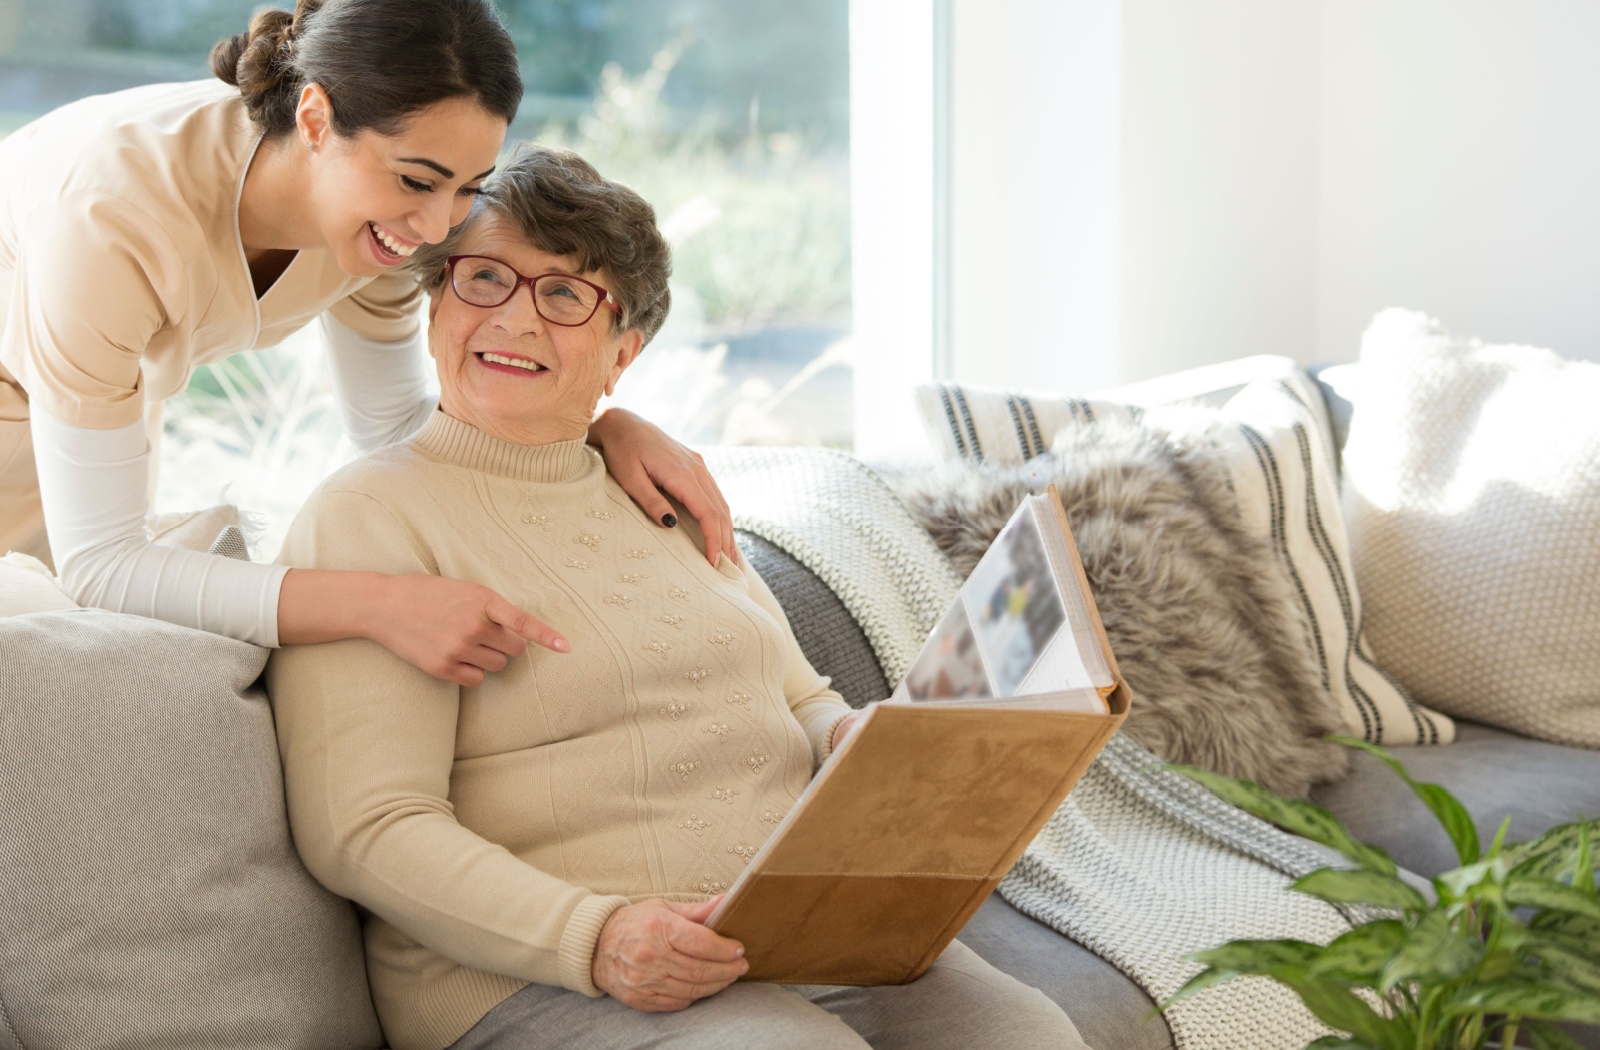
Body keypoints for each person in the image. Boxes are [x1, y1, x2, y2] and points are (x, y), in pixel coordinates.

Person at [265, 144, 1092, 1050]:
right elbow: (367, 826)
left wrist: (854, 744)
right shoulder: (371, 515)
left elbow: (800, 697)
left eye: (565, 294)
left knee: (1028, 1034)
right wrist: (598, 937)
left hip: (801, 932)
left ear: (623, 353)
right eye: (485, 278)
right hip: (538, 976)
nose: (515, 317)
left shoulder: (659, 488)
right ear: (434, 304)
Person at [0, 0, 733, 685]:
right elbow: (103, 563)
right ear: (315, 118)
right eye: (418, 180)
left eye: (469, 187)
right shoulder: (113, 215)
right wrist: (382, 605)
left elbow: (390, 428)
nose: (440, 225)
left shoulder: (373, 231)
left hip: (72, 416)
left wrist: (595, 432)